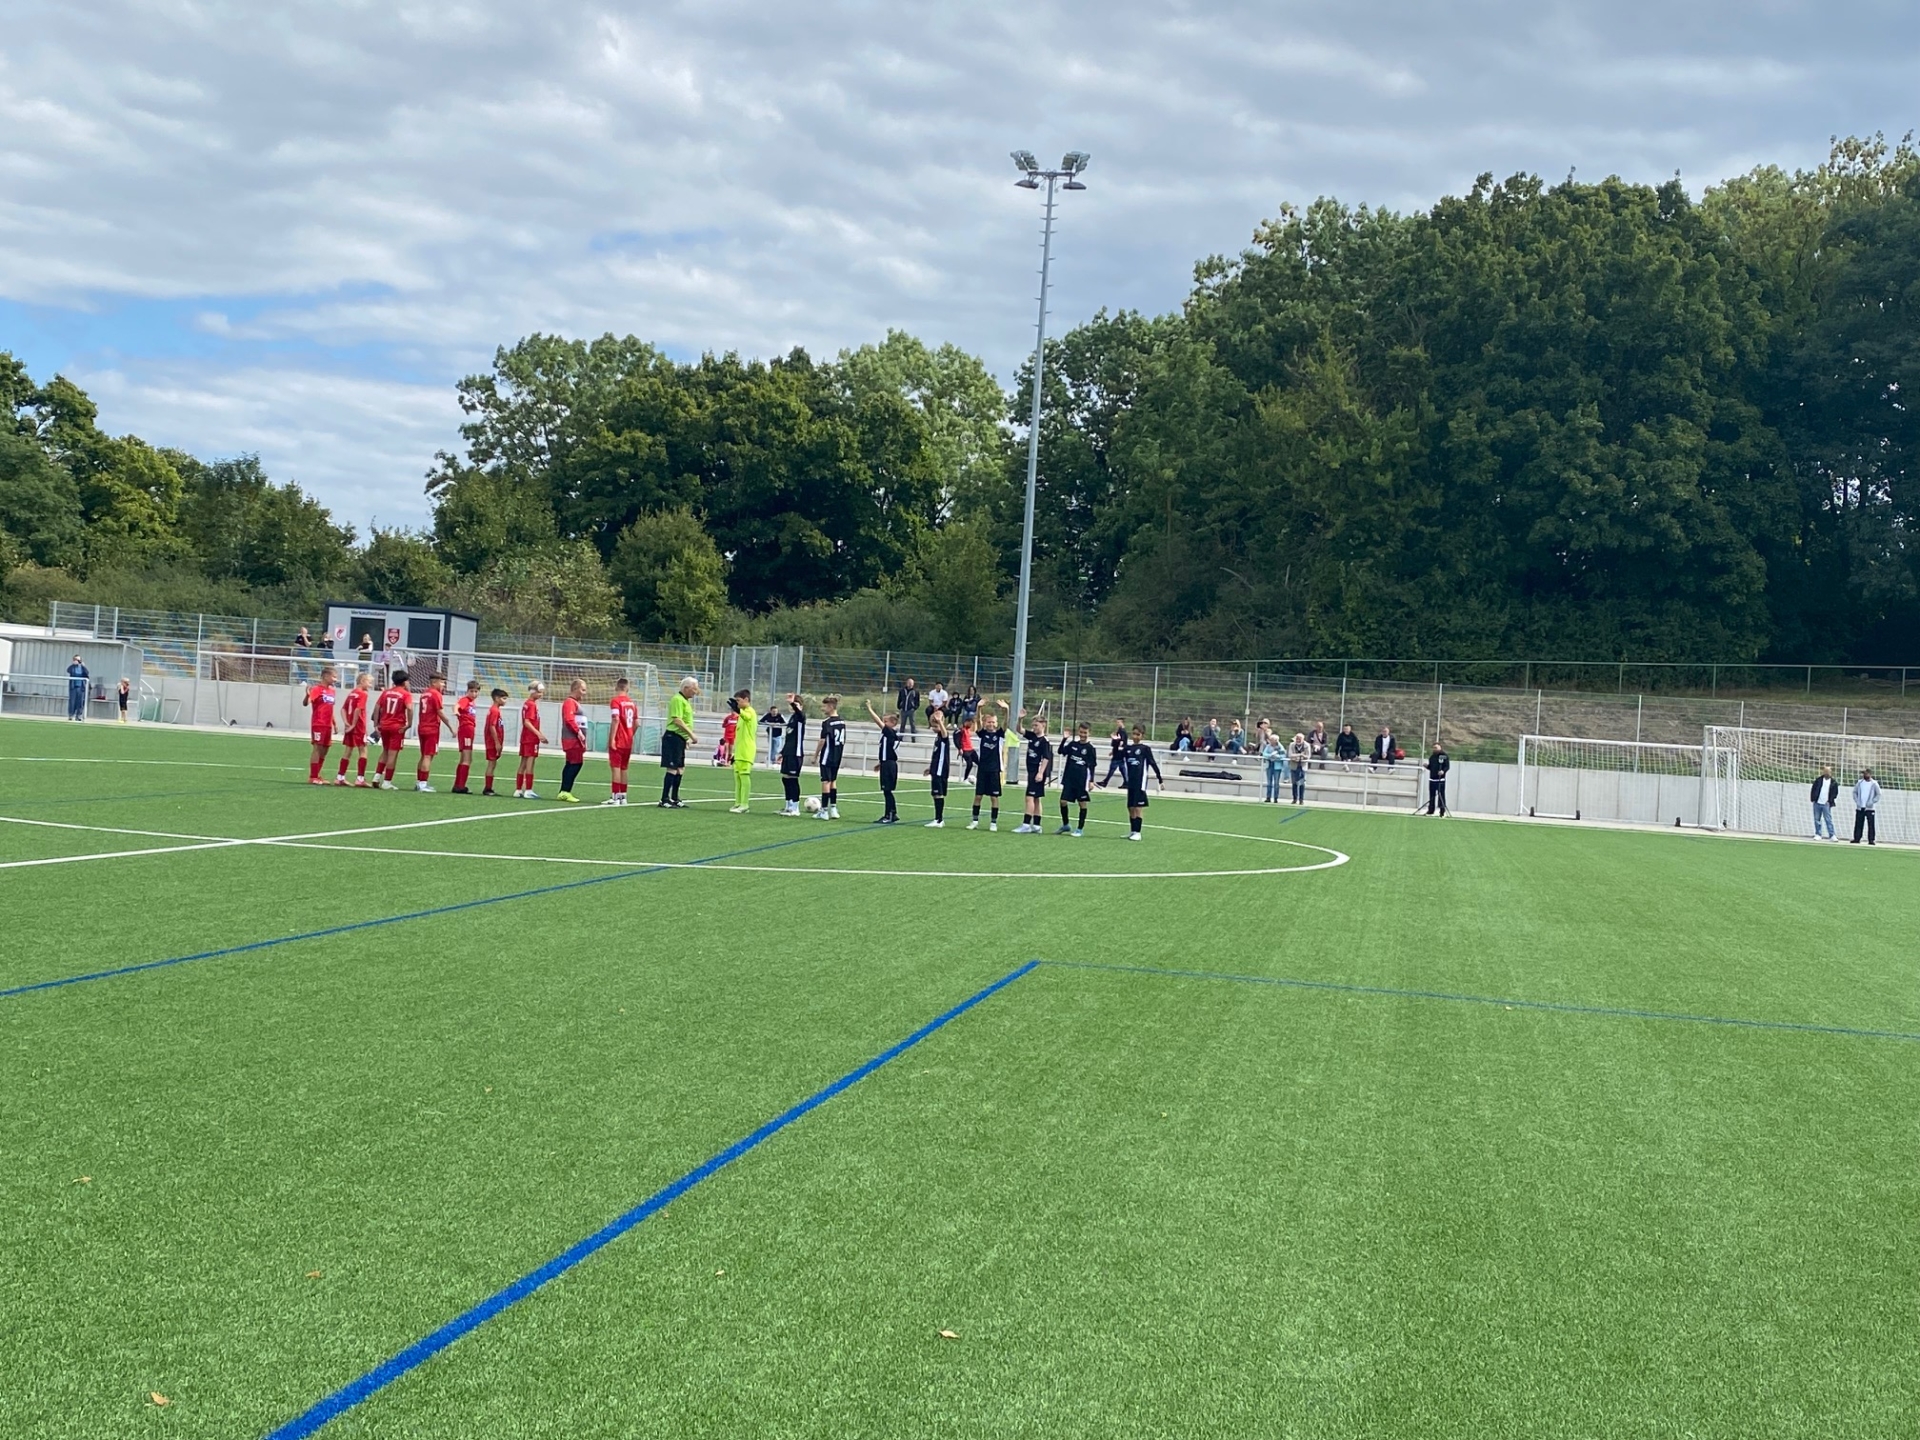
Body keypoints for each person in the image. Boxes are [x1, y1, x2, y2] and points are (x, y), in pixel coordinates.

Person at [371, 669, 413, 790]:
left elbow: (377, 707)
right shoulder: (405, 694)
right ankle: (387, 782)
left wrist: (376, 724)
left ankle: (376, 777)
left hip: (384, 725)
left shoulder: (386, 692)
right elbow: (410, 708)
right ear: (404, 682)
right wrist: (409, 724)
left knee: (385, 751)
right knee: (393, 754)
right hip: (397, 727)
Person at [660, 676, 698, 808]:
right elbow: (677, 720)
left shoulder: (685, 701)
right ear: (686, 688)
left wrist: (686, 738)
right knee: (672, 767)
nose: (696, 692)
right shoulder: (677, 699)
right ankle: (664, 799)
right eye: (694, 688)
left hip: (680, 738)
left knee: (680, 768)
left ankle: (674, 798)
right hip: (673, 737)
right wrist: (691, 734)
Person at [1121, 725, 1163, 840]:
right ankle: (1133, 831)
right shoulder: (1128, 749)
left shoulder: (1145, 749)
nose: (1135, 736)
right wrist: (1116, 743)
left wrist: (1160, 779)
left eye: (1138, 734)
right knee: (1130, 807)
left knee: (1138, 807)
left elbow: (1153, 763)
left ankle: (1138, 833)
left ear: (1142, 736)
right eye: (1134, 734)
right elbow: (1118, 757)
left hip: (1140, 782)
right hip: (1131, 782)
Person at [1015, 708, 1054, 833]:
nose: (1034, 728)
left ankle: (1026, 824)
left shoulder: (1044, 741)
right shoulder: (1032, 736)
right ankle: (1037, 826)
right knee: (1036, 798)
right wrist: (1020, 719)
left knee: (1029, 797)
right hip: (1031, 771)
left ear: (1043, 725)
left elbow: (1046, 758)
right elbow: (1019, 729)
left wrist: (1040, 773)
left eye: (1036, 725)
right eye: (1033, 725)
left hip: (1036, 772)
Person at [968, 709, 1006, 831]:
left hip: (994, 770)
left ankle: (993, 823)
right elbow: (978, 722)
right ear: (985, 723)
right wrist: (979, 708)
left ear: (996, 723)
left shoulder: (999, 735)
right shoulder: (982, 734)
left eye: (993, 722)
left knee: (994, 797)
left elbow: (1006, 722)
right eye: (989, 722)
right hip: (982, 770)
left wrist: (1006, 710)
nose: (991, 724)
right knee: (978, 796)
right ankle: (975, 821)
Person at [1057, 721, 1097, 835]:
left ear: (1089, 733)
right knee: (1063, 801)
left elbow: (1092, 766)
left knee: (1082, 803)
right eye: (1081, 732)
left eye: (1085, 733)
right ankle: (1066, 825)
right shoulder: (1073, 744)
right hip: (1069, 779)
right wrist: (1064, 739)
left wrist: (1091, 781)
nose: (1083, 734)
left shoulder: (1090, 748)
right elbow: (1060, 751)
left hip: (1081, 780)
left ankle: (1080, 829)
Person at [865, 700, 901, 823]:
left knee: (887, 790)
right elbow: (888, 751)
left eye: (886, 721)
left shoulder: (890, 732)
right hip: (886, 763)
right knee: (886, 791)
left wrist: (870, 709)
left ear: (893, 723)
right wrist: (880, 763)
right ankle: (891, 813)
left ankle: (889, 814)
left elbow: (878, 722)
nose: (883, 723)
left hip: (890, 765)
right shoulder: (886, 735)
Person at [555, 678, 590, 803]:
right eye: (583, 690)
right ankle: (565, 791)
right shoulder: (570, 702)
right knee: (575, 763)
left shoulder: (574, 703)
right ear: (575, 689)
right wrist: (578, 732)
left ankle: (564, 791)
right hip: (572, 739)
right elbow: (569, 720)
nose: (584, 693)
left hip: (575, 739)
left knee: (571, 763)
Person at [605, 676, 638, 806]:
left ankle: (615, 797)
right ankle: (623, 797)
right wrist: (630, 734)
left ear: (616, 687)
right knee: (624, 768)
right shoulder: (632, 704)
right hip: (628, 742)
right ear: (627, 688)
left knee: (616, 768)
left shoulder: (616, 701)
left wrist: (612, 738)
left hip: (618, 740)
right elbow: (637, 723)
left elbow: (615, 719)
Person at [302, 665, 338, 784]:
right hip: (319, 723)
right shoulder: (317, 689)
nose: (335, 679)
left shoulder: (332, 691)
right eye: (333, 677)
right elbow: (306, 703)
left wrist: (334, 723)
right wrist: (307, 695)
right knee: (317, 748)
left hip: (328, 724)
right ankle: (313, 777)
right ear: (326, 676)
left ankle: (317, 775)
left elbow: (330, 708)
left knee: (325, 749)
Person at [336, 673, 373, 785]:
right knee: (363, 750)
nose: (370, 685)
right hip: (358, 726)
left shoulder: (352, 693)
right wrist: (353, 724)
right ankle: (360, 779)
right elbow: (358, 709)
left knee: (348, 750)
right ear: (362, 681)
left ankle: (340, 777)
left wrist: (346, 722)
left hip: (350, 726)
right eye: (369, 682)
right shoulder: (363, 694)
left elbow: (343, 709)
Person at [813, 694, 846, 818]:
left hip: (828, 755)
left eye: (825, 706)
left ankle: (824, 811)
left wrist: (815, 755)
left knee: (825, 781)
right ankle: (833, 809)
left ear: (831, 706)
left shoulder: (827, 723)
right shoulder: (842, 721)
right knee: (833, 781)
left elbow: (822, 741)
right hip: (837, 755)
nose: (823, 709)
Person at [413, 673, 447, 792]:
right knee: (428, 756)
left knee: (423, 755)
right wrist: (450, 726)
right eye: (441, 682)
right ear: (434, 682)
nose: (443, 685)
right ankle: (423, 784)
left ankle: (419, 782)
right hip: (431, 728)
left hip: (422, 726)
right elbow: (440, 712)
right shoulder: (436, 694)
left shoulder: (424, 693)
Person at [515, 681, 546, 799]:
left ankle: (518, 789)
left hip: (525, 737)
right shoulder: (531, 705)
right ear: (533, 692)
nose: (541, 695)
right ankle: (528, 790)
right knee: (530, 763)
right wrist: (539, 734)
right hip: (530, 738)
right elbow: (527, 722)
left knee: (523, 763)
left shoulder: (527, 704)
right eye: (539, 692)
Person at [778, 694, 808, 816]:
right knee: (785, 778)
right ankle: (788, 806)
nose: (792, 706)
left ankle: (795, 808)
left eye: (795, 704)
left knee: (793, 779)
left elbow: (799, 713)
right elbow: (789, 738)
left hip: (796, 753)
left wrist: (793, 703)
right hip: (788, 753)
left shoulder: (800, 717)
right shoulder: (792, 718)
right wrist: (782, 752)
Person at [728, 689, 758, 813]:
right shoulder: (741, 715)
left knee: (744, 776)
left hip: (747, 750)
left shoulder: (750, 712)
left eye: (739, 701)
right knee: (737, 778)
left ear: (746, 699)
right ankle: (738, 802)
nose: (737, 703)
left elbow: (747, 717)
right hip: (739, 751)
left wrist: (738, 710)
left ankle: (745, 804)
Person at [452, 679, 482, 794]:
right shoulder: (465, 700)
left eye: (476, 691)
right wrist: (456, 711)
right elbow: (457, 706)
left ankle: (457, 785)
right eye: (471, 691)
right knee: (467, 758)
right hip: (466, 730)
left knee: (463, 758)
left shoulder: (472, 702)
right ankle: (461, 786)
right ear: (467, 691)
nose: (474, 694)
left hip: (468, 730)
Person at [924, 711, 953, 826]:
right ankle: (938, 819)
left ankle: (939, 820)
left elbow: (945, 733)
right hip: (936, 769)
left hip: (940, 770)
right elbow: (936, 755)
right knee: (936, 794)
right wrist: (930, 768)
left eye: (936, 726)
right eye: (933, 726)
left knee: (938, 793)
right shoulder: (937, 738)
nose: (934, 728)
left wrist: (940, 721)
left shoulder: (943, 736)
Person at [481, 688, 509, 796]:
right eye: (503, 698)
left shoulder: (495, 710)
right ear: (497, 698)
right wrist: (497, 742)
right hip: (492, 742)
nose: (505, 701)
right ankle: (487, 788)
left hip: (493, 741)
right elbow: (492, 726)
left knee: (493, 764)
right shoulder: (494, 710)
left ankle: (489, 787)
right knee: (491, 764)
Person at [1851, 767, 1880, 845]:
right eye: (1864, 774)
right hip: (1860, 807)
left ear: (1870, 774)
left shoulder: (1874, 784)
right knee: (1858, 823)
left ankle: (1871, 839)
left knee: (1871, 824)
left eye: (1866, 773)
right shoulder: (1859, 783)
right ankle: (1857, 838)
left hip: (1870, 808)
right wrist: (1857, 801)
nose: (1864, 775)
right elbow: (1854, 792)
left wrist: (1872, 802)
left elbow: (1878, 794)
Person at [1810, 766, 1839, 840]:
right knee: (1817, 819)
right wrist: (1813, 799)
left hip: (1826, 804)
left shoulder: (1833, 782)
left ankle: (1832, 835)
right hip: (1817, 803)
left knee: (1828, 820)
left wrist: (1830, 801)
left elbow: (1835, 793)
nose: (1826, 773)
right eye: (1825, 771)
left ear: (1831, 772)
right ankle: (1818, 834)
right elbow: (1813, 789)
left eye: (1828, 771)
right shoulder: (1818, 780)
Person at [1100, 719, 1129, 788]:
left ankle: (1105, 782)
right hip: (1120, 752)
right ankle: (1126, 782)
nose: (1117, 723)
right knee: (1122, 768)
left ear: (1122, 722)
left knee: (1113, 767)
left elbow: (1120, 742)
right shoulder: (1121, 731)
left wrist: (1114, 740)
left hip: (1118, 753)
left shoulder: (1122, 732)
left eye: (1118, 722)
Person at [1424, 741, 1450, 815]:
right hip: (1432, 779)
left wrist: (1443, 771)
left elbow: (1447, 766)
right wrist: (1427, 766)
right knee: (1431, 795)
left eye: (1436, 747)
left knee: (1441, 795)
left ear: (1440, 747)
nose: (1435, 749)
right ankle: (1431, 810)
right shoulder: (1432, 757)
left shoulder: (1444, 756)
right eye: (1434, 748)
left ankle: (1442, 810)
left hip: (1440, 779)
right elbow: (1431, 767)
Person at [1260, 729, 1285, 803]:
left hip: (1277, 767)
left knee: (1276, 783)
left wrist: (1277, 757)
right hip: (1269, 766)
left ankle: (1275, 798)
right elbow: (1264, 754)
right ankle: (1268, 797)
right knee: (1269, 783)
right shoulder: (1268, 746)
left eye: (1272, 740)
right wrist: (1270, 755)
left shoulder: (1280, 747)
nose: (1270, 741)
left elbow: (1283, 756)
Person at [1289, 732, 1311, 805]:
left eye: (1300, 739)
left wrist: (1298, 756)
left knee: (1302, 783)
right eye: (1297, 738)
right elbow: (1290, 755)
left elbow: (1307, 756)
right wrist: (1300, 755)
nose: (1298, 740)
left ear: (1303, 739)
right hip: (1294, 766)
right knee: (1294, 783)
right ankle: (1294, 799)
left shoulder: (1307, 745)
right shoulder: (1292, 745)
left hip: (1302, 767)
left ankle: (1301, 799)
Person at [65, 655, 89, 720]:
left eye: (78, 660)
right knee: (72, 702)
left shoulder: (82, 668)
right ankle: (71, 715)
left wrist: (83, 666)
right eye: (75, 659)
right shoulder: (72, 668)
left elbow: (87, 673)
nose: (76, 661)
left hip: (81, 688)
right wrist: (73, 665)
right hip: (73, 687)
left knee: (80, 702)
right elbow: (68, 670)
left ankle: (78, 716)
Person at [957, 714, 977, 782]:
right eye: (970, 724)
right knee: (969, 764)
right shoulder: (961, 730)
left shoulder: (967, 730)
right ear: (966, 722)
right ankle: (965, 778)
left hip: (971, 749)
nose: (971, 725)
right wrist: (960, 748)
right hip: (965, 750)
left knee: (980, 763)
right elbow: (957, 739)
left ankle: (981, 777)